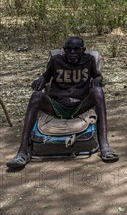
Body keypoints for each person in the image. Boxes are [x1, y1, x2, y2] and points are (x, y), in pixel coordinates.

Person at [6, 36, 119, 169]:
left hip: (80, 105)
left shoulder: (89, 60)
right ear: (64, 50)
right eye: (68, 49)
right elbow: (46, 76)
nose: (72, 52)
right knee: (36, 96)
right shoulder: (56, 61)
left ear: (83, 50)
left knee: (98, 92)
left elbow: (97, 75)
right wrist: (41, 80)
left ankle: (104, 145)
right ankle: (23, 151)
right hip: (57, 105)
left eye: (76, 49)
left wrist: (98, 79)